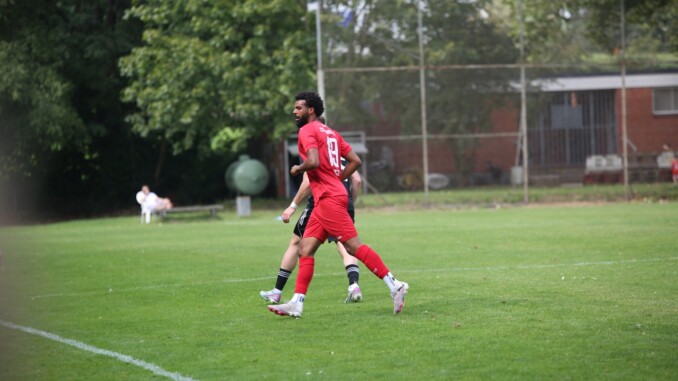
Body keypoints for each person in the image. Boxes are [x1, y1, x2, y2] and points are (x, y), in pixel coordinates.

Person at [268, 91, 408, 318]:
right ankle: (297, 302)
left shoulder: (307, 130)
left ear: (310, 110)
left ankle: (395, 285)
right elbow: (356, 161)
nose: (295, 111)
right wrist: (336, 178)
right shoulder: (331, 132)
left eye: (299, 107)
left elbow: (312, 162)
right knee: (305, 249)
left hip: (328, 198)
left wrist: (297, 169)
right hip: (328, 197)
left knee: (353, 247)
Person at [259, 168, 364, 304]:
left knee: (296, 243)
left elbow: (308, 182)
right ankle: (354, 285)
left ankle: (277, 292)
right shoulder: (341, 153)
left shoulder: (315, 152)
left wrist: (293, 206)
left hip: (319, 203)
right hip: (342, 201)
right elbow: (357, 180)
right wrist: (349, 202)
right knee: (346, 245)